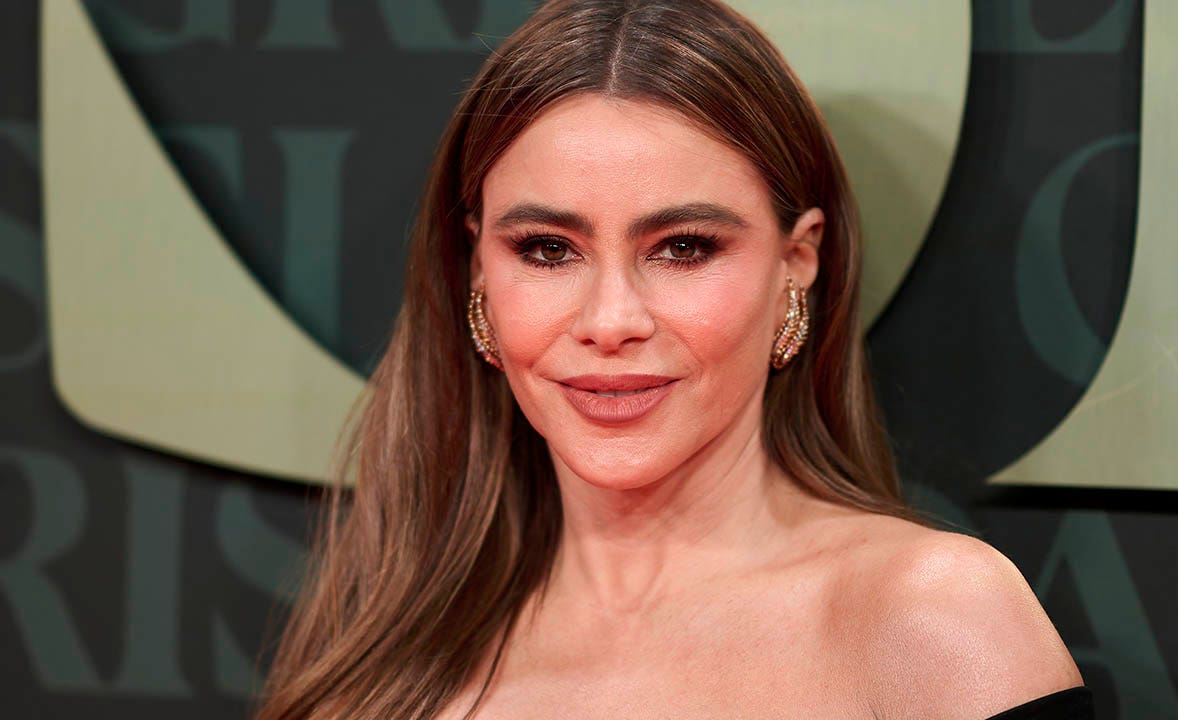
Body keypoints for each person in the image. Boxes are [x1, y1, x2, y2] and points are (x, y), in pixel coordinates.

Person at [256, 1, 1091, 718]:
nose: (610, 321)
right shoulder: (380, 663)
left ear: (796, 263)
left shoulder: (931, 619)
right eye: (547, 249)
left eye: (683, 247)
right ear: (479, 267)